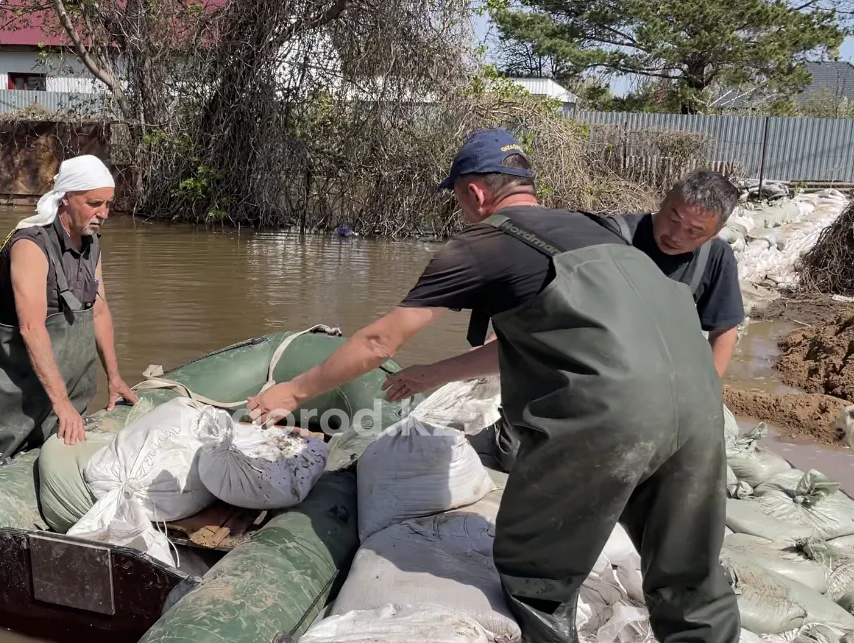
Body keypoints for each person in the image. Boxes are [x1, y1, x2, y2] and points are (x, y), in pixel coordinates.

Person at [247, 129, 740, 642]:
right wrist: (436, 373)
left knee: (536, 570)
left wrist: (292, 392)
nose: (460, 210)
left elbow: (378, 342)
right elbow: (544, 341)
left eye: (458, 197)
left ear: (475, 193)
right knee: (690, 578)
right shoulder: (597, 231)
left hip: (608, 417)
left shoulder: (484, 245)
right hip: (702, 410)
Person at [0, 155, 137, 479]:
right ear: (65, 199)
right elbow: (32, 328)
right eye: (94, 203)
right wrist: (61, 405)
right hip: (15, 403)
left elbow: (99, 310)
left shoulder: (91, 243)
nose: (103, 213)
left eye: (107, 204)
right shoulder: (30, 245)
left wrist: (114, 378)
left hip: (69, 393)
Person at [587, 171, 744, 377]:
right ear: (664, 200)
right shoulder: (614, 236)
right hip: (600, 368)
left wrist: (708, 388)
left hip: (663, 377)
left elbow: (723, 330)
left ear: (715, 232)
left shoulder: (715, 256)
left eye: (694, 231)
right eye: (673, 219)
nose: (675, 236)